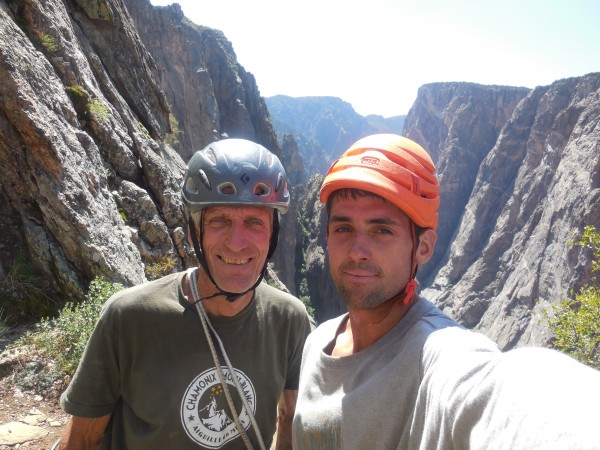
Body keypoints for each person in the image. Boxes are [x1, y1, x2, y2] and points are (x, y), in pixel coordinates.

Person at [292, 133, 600, 449]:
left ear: (423, 247)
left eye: (381, 230)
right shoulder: (317, 342)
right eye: (344, 228)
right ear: (327, 236)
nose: (357, 251)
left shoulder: (441, 358)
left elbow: (505, 396)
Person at [58, 138, 313, 449]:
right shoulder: (129, 318)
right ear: (194, 234)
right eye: (219, 220)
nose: (237, 242)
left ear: (273, 234)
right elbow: (82, 439)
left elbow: (291, 416)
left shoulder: (289, 318)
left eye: (254, 222)